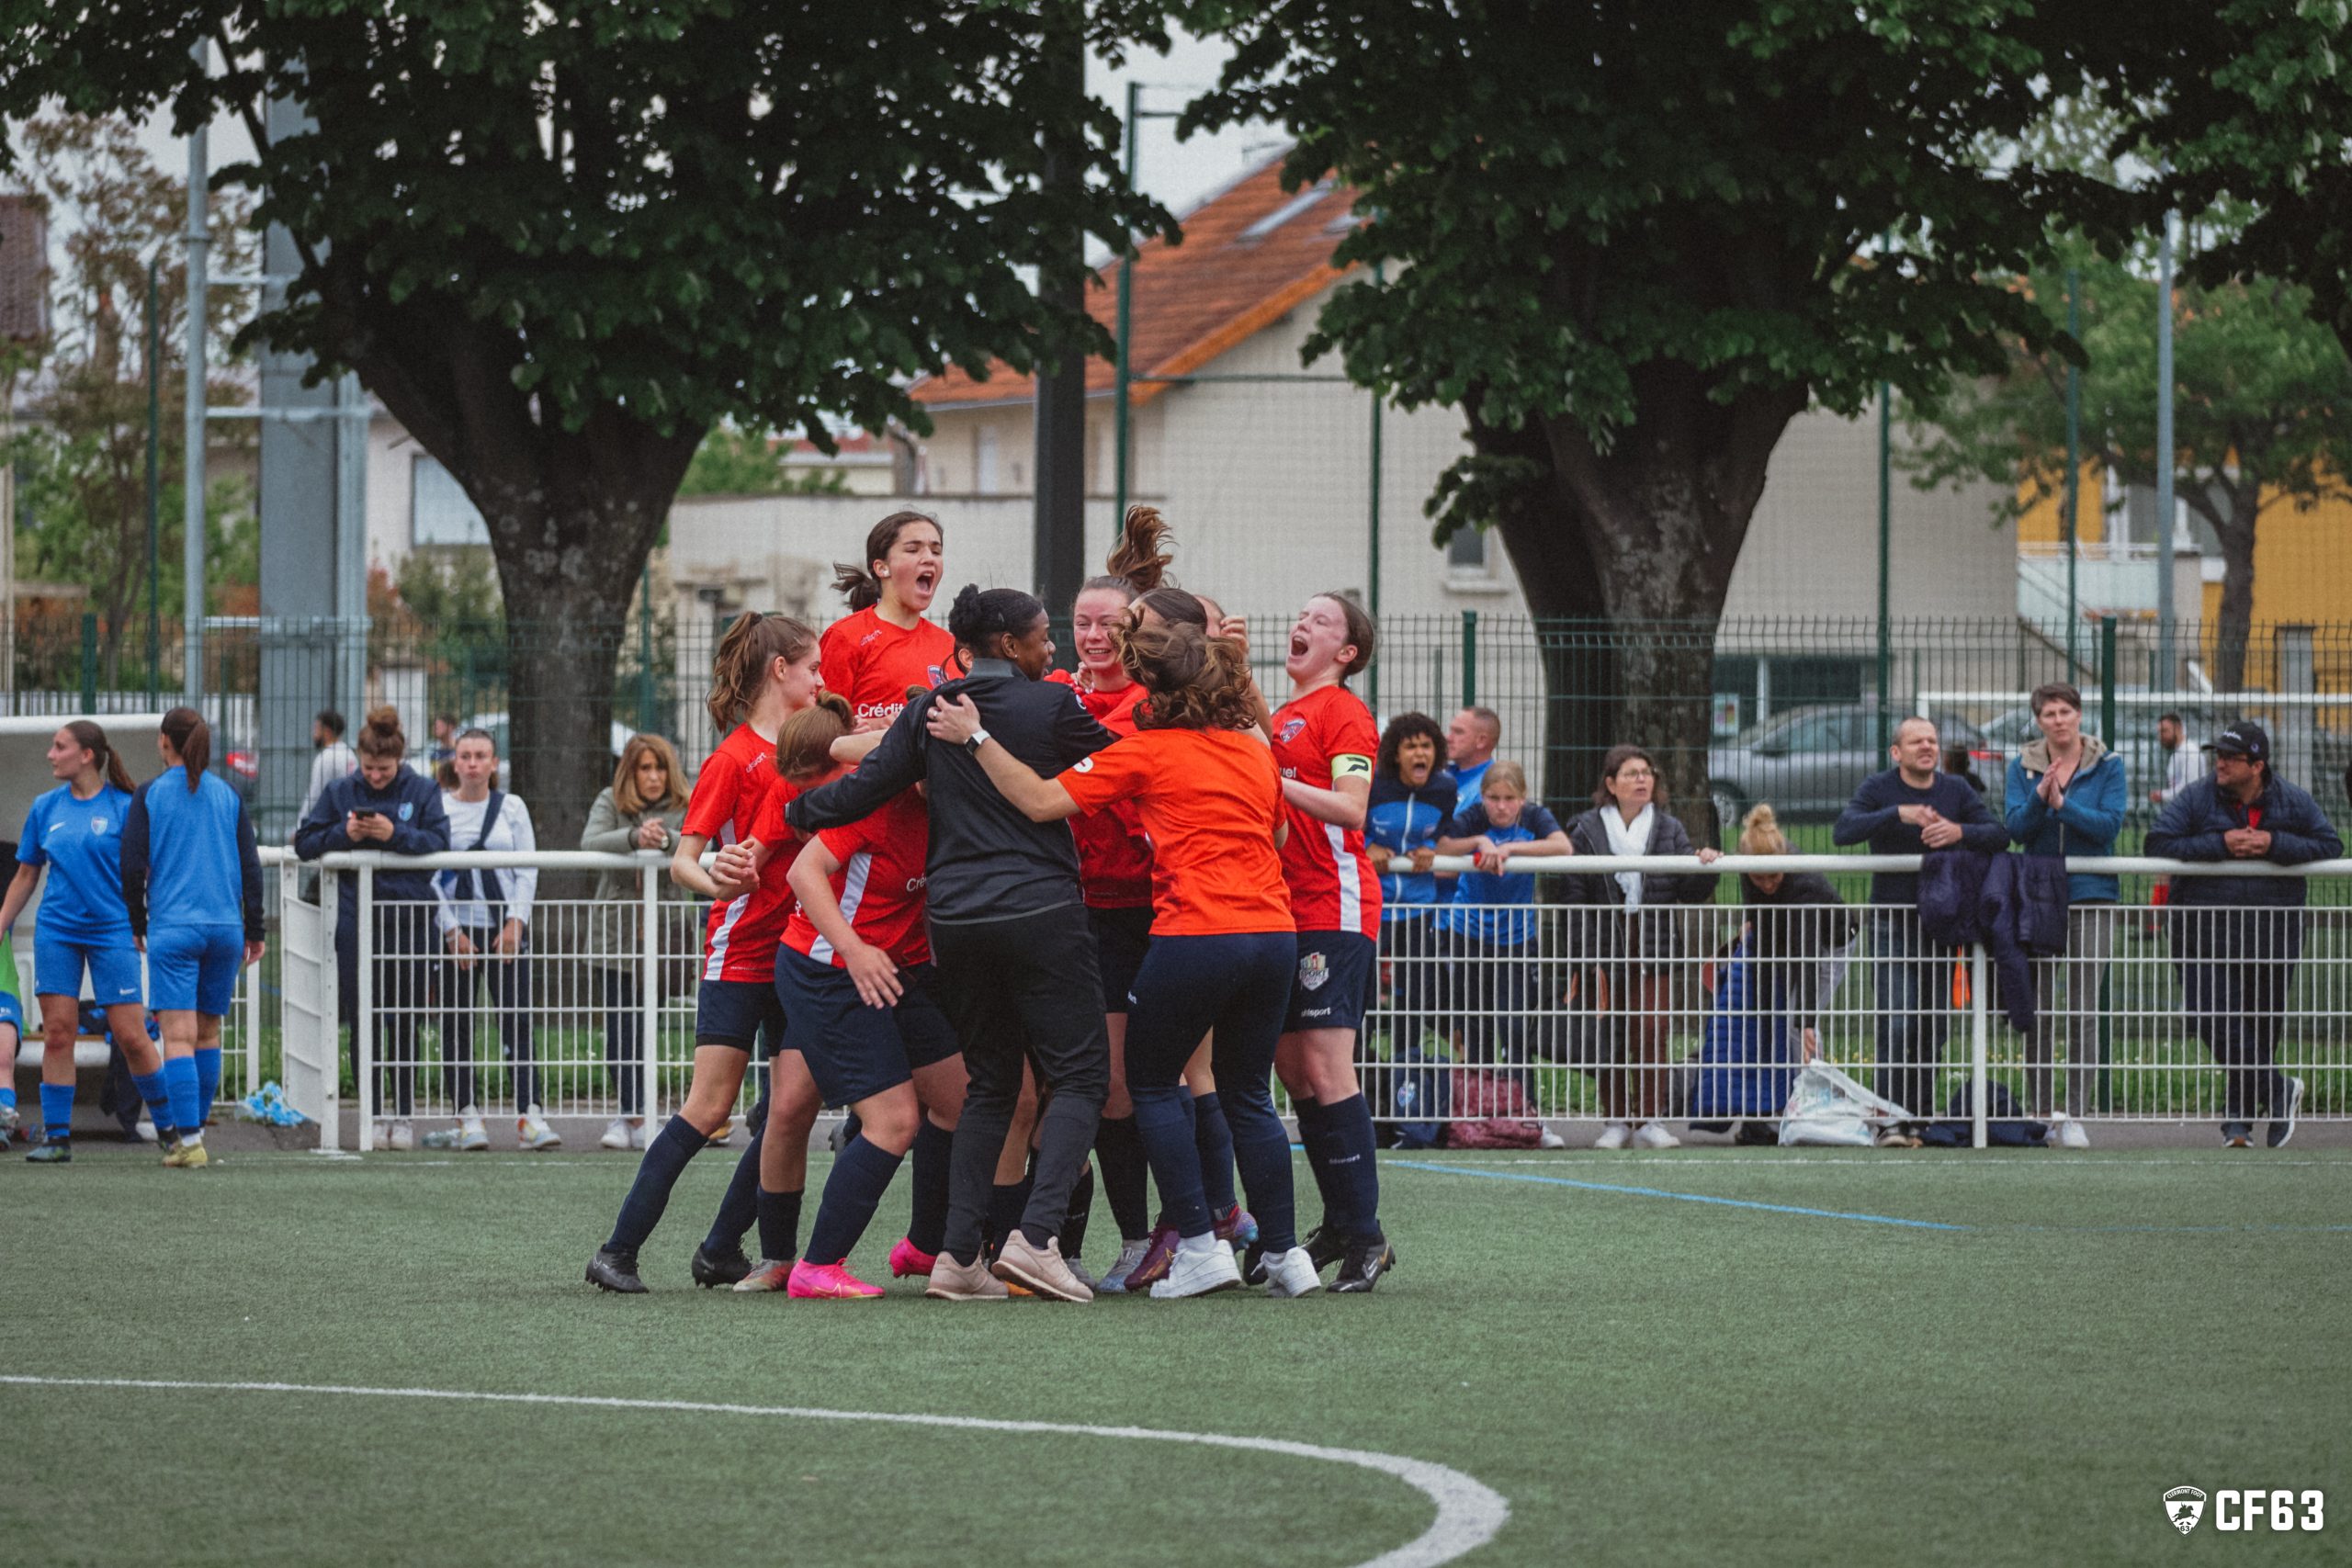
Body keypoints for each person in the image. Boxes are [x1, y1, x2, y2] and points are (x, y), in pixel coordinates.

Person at [931, 614, 1320, 1297]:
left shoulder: (1147, 749)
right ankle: (1289, 1256)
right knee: (1249, 1092)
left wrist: (978, 735)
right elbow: (1282, 832)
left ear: (1149, 687)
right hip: (1274, 931)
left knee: (1145, 1081)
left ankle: (1199, 1247)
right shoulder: (1252, 749)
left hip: (1197, 931)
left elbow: (1040, 799)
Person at [789, 584, 1116, 1303]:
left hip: (957, 921)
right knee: (1083, 1076)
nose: (1052, 646)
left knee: (991, 1085)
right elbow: (1124, 770)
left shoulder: (928, 710)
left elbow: (858, 793)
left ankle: (958, 1258)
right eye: (1042, 635)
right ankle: (1036, 1239)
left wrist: (790, 810)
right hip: (1041, 909)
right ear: (1008, 644)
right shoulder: (1055, 706)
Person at [586, 613, 826, 1293]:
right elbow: (684, 862)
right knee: (710, 1105)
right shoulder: (734, 757)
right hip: (743, 952)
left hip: (801, 955)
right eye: (813, 668)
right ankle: (617, 1250)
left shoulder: (817, 745)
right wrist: (719, 871)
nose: (822, 681)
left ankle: (726, 1247)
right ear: (780, 670)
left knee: (792, 1107)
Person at [760, 694, 967, 1298]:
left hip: (892, 971)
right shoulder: (876, 798)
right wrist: (853, 947)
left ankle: (925, 1247)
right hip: (826, 970)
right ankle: (814, 1266)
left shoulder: (957, 806)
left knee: (959, 1100)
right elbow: (804, 872)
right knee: (892, 1119)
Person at [1046, 508, 1175, 1292]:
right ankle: (1053, 1241)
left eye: (1107, 625)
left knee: (1123, 1084)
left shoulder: (1152, 707)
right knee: (1065, 1083)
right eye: (1081, 624)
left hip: (1142, 911)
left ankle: (1153, 1233)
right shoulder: (1053, 693)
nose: (1093, 637)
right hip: (1062, 908)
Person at [1268, 591, 1394, 1292]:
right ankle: (1343, 1220)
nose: (1302, 623)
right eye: (1302, 614)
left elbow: (1351, 807)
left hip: (1332, 904)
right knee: (1294, 1072)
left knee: (1325, 1066)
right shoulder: (1283, 716)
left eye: (1320, 620)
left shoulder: (1342, 710)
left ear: (1346, 652)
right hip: (1282, 908)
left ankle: (1367, 1232)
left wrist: (1275, 784)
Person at [2146, 721, 2343, 1147]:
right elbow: (2157, 842)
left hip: (2272, 932)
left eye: (2230, 758)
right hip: (2202, 933)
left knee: (2258, 1028)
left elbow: (2330, 845)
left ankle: (2238, 1123)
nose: (2219, 763)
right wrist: (2222, 843)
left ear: (2257, 765)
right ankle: (2277, 1091)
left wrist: (2274, 843)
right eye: (2218, 755)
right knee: (2209, 1016)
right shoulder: (2197, 797)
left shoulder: (2292, 799)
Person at [0, 722, 169, 1163]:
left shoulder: (126, 807)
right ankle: (56, 1139)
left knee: (131, 1035)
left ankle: (172, 1128)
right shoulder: (44, 807)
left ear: (87, 755)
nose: (51, 755)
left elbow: (150, 872)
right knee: (58, 1033)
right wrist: (1, 921)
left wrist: (157, 920)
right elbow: (25, 875)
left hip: (113, 931)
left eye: (60, 747)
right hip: (57, 931)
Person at [1832, 716, 2007, 1131]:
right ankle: (1891, 1119)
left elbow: (1999, 834)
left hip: (1942, 924)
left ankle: (1922, 1117)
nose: (1926, 746)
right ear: (1897, 752)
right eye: (1916, 742)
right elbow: (1843, 831)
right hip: (1892, 920)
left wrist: (1957, 831)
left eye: (1931, 740)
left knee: (1932, 1024)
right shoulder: (1879, 788)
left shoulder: (1957, 790)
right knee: (1897, 1019)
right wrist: (1898, 814)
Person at [294, 707, 453, 1150]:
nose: (376, 777)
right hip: (356, 921)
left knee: (405, 1020)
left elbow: (439, 843)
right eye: (369, 769)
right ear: (358, 761)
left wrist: (393, 833)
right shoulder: (340, 790)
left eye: (384, 770)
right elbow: (306, 841)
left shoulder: (422, 790)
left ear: (398, 761)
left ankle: (401, 1113)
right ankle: (370, 1108)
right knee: (363, 1018)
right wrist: (346, 834)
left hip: (411, 921)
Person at [119, 707, 266, 1169]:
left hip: (174, 928)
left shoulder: (149, 795)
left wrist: (138, 922)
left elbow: (131, 866)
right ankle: (197, 1132)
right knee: (208, 1033)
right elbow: (251, 867)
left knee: (177, 1036)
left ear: (165, 741)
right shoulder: (229, 794)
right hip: (226, 928)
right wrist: (256, 927)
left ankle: (188, 1140)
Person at [1559, 745, 1721, 1148]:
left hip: (1654, 945)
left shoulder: (1669, 829)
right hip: (1604, 945)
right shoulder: (1585, 829)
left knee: (1652, 1028)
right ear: (1611, 784)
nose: (1642, 780)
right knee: (1609, 1030)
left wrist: (1705, 865)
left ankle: (1650, 1119)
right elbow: (1574, 895)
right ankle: (1615, 1121)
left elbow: (1690, 890)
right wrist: (1582, 953)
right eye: (1631, 774)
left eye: (1647, 773)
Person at [2002, 682, 2126, 1146]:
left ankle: (2073, 1113)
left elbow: (2108, 827)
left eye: (2065, 711)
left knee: (2082, 1008)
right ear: (2039, 721)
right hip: (2038, 896)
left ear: (2079, 715)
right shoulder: (2023, 766)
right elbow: (2015, 827)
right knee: (2040, 1011)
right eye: (2049, 713)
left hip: (2092, 895)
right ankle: (2038, 1113)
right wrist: (2039, 798)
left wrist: (2063, 805)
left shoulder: (2108, 765)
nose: (2058, 720)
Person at [426, 727, 553, 1151]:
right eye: (466, 756)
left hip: (504, 928)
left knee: (516, 1018)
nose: (474, 763)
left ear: (494, 763)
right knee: (457, 1021)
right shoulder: (439, 808)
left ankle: (529, 1113)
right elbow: (432, 878)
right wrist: (451, 931)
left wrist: (517, 923)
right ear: (454, 762)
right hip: (459, 929)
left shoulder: (512, 808)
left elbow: (526, 868)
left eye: (482, 755)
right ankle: (467, 1113)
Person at [581, 733, 692, 1151]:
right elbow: (590, 841)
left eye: (660, 767)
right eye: (645, 768)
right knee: (619, 1026)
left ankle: (642, 1109)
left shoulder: (683, 802)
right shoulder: (610, 801)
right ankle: (629, 1113)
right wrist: (633, 838)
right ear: (632, 771)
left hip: (665, 930)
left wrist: (665, 840)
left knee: (648, 1024)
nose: (653, 776)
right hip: (616, 931)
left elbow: (702, 842)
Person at [1432, 761, 1571, 1091]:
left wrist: (1511, 848)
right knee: (1474, 1023)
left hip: (1517, 937)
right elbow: (1442, 847)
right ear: (1483, 797)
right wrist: (1480, 841)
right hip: (1468, 932)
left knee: (1515, 1026)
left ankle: (1524, 1111)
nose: (1501, 806)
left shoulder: (1535, 817)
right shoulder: (1473, 818)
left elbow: (1562, 845)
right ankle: (1478, 1111)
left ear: (1523, 798)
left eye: (1509, 798)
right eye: (1493, 798)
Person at [1725, 804, 1855, 1141]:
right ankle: (1779, 1102)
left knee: (1799, 1023)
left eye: (1774, 876)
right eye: (1759, 878)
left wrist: (1808, 1019)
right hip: (1785, 936)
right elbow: (1759, 922)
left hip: (1829, 941)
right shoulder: (1749, 870)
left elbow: (1808, 956)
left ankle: (1818, 1108)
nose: (1767, 884)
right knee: (1773, 1018)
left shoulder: (1804, 884)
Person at [821, 510, 954, 737]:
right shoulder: (846, 636)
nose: (929, 558)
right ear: (882, 568)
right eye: (913, 549)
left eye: (936, 550)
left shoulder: (949, 645)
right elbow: (816, 729)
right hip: (868, 771)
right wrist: (874, 728)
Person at [1366, 713, 1452, 1049]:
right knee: (1366, 994)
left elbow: (1446, 832)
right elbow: (1346, 827)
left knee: (1415, 996)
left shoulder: (1445, 789)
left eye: (1427, 746)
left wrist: (1431, 848)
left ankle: (1407, 1075)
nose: (1420, 754)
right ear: (1395, 753)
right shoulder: (1375, 785)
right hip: (1375, 906)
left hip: (1419, 909)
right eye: (1411, 746)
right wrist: (1367, 845)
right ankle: (1362, 1072)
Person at [301, 708, 357, 822]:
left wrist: (301, 823)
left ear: (327, 731)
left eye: (316, 728)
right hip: (349, 815)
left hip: (329, 818)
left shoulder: (326, 757)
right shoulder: (350, 754)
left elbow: (315, 794)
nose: (314, 734)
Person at [1443, 706, 1501, 815]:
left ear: (1481, 741)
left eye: (1458, 732)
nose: (1448, 738)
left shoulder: (1491, 787)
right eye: (1451, 730)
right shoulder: (1442, 774)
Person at [2154, 712, 2200, 806]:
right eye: (2159, 732)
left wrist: (2163, 795)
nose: (2160, 736)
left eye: (2164, 731)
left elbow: (2190, 787)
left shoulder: (2190, 751)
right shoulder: (2178, 752)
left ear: (2178, 728)